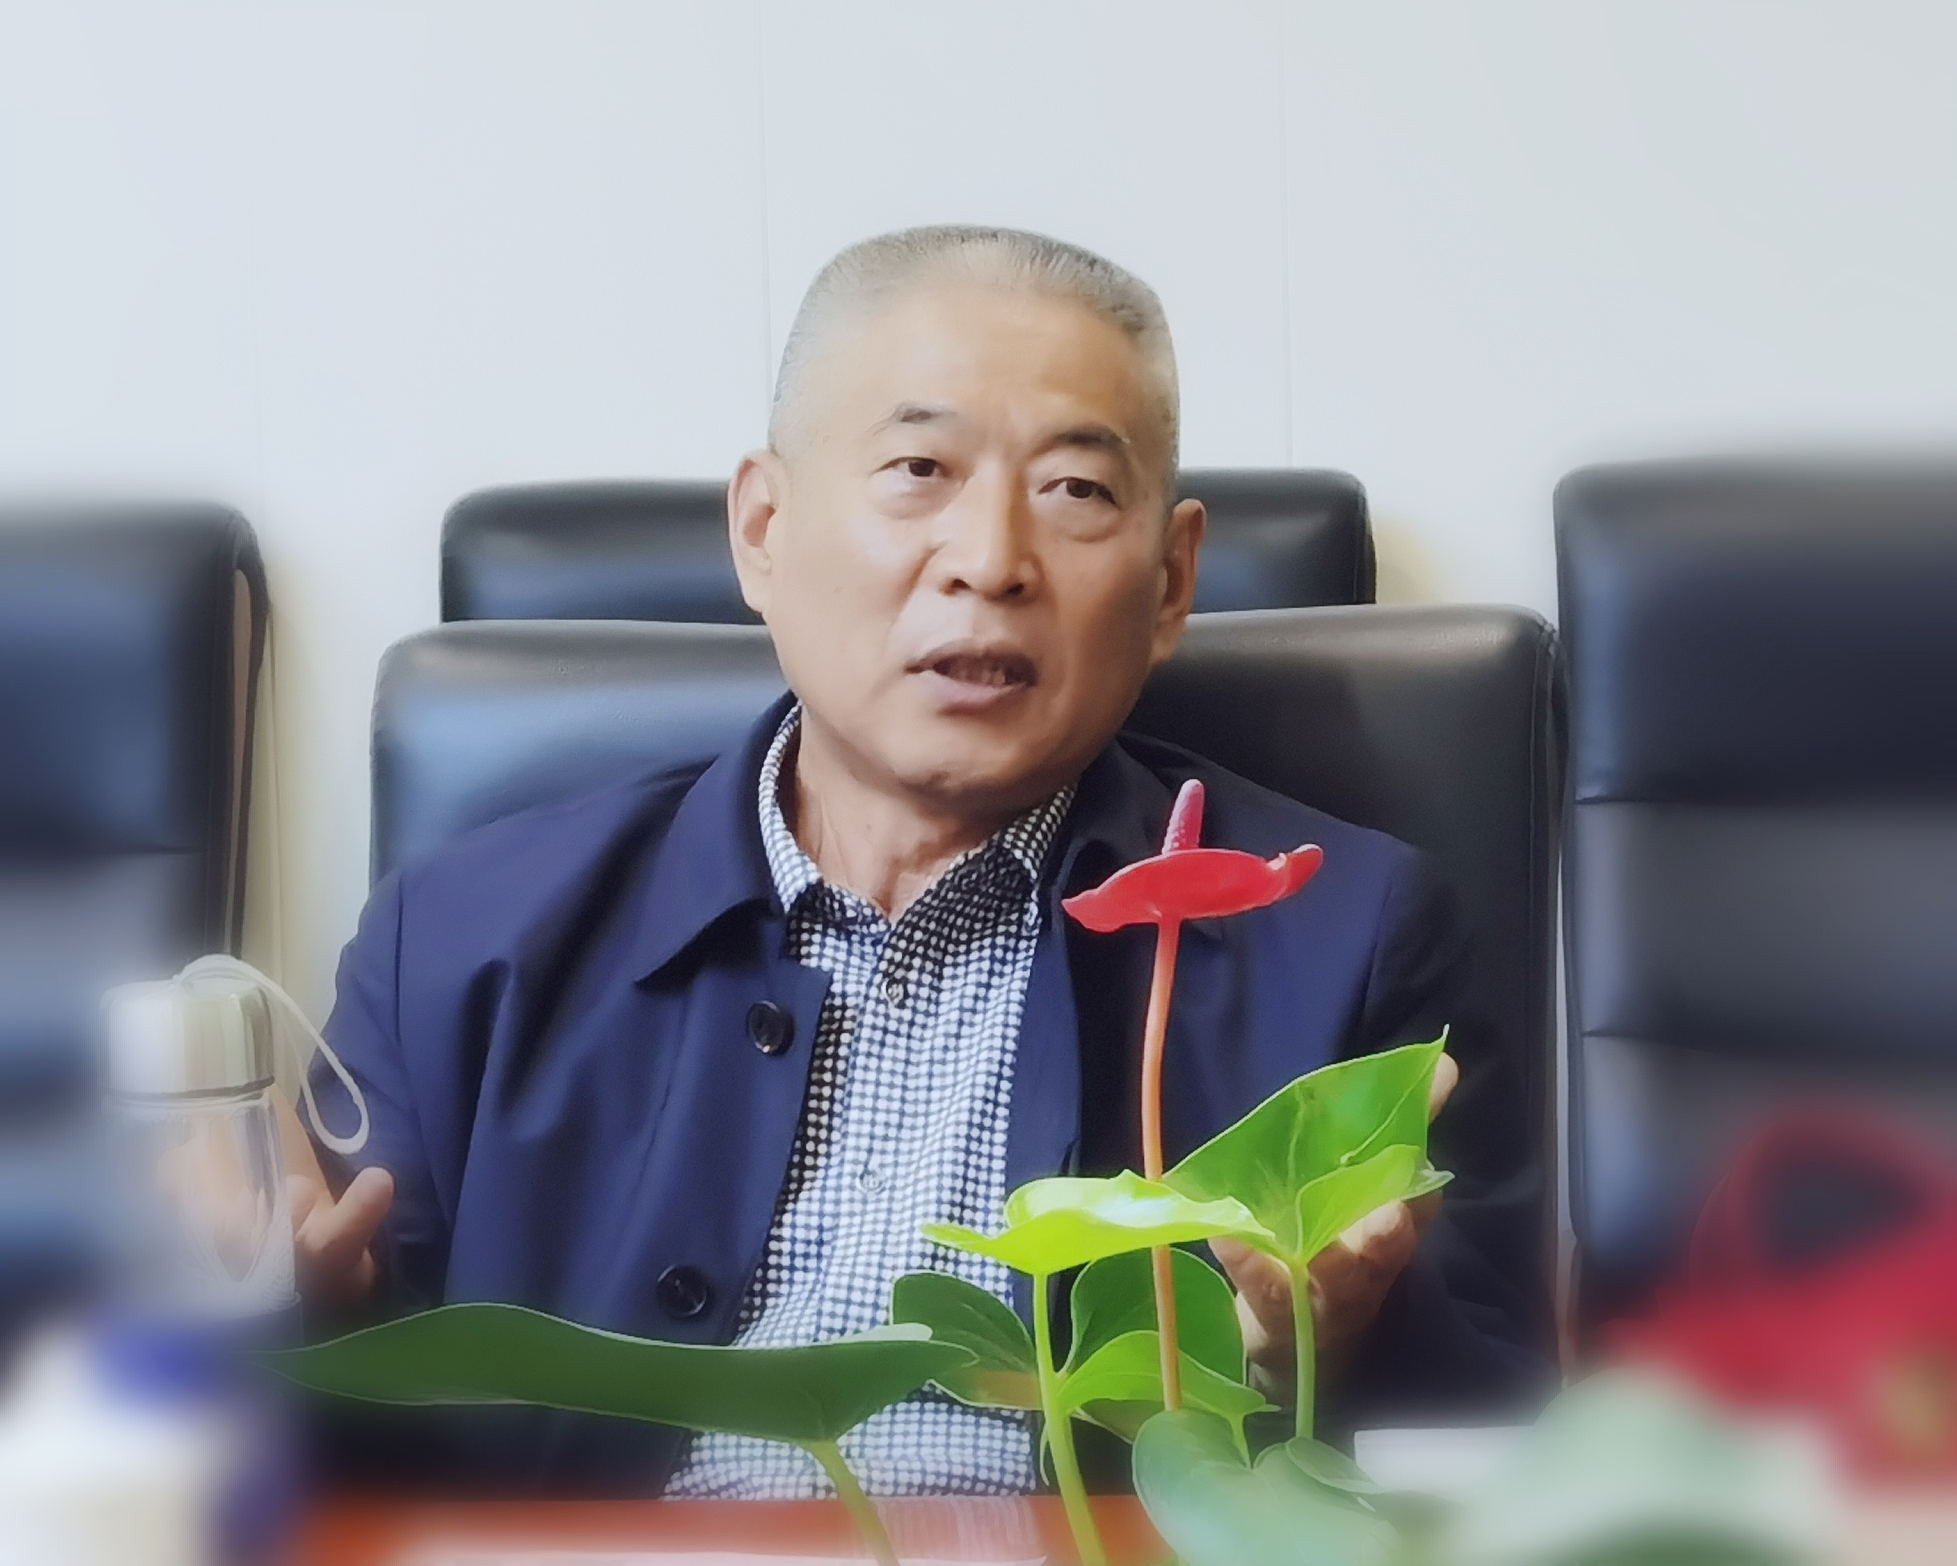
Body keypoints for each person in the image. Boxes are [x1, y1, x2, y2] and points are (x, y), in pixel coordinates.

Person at [290, 225, 1549, 1497]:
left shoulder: (1349, 940)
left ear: (1171, 582)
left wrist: (1327, 1343)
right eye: (917, 469)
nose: (991, 560)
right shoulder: (456, 942)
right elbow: (329, 1455)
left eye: (1076, 490)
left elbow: (1501, 1447)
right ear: (763, 528)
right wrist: (271, 1318)